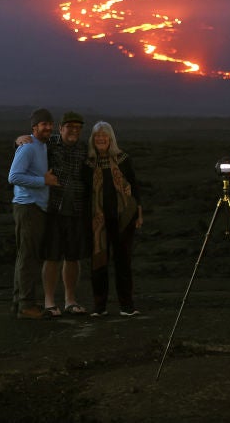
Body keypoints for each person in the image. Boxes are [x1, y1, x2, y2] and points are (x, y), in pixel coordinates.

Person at [18, 110, 92, 317]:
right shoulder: (48, 145)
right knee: (52, 257)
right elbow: (28, 149)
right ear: (61, 129)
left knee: (73, 257)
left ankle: (70, 300)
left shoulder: (85, 149)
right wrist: (17, 141)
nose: (74, 131)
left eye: (78, 128)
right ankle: (49, 301)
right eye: (70, 127)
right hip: (54, 209)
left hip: (77, 209)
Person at [83, 120, 142, 317]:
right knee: (99, 263)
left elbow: (133, 186)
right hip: (97, 221)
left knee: (123, 262)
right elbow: (84, 192)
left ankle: (127, 305)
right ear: (93, 139)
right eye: (97, 136)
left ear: (111, 138)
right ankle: (99, 307)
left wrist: (138, 212)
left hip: (123, 219)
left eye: (104, 136)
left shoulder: (123, 159)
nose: (101, 139)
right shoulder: (88, 163)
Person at [8, 107, 59, 319]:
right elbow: (14, 176)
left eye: (49, 124)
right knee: (28, 257)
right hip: (28, 207)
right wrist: (42, 181)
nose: (47, 127)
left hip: (36, 207)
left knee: (27, 256)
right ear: (34, 127)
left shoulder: (43, 145)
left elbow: (65, 138)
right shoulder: (29, 148)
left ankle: (20, 303)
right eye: (43, 124)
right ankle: (26, 306)